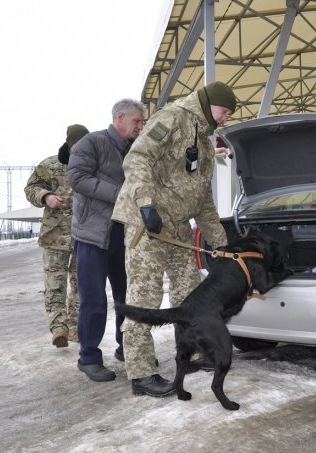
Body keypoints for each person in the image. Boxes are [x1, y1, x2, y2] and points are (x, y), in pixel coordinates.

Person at [112, 81, 235, 397]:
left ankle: (192, 353)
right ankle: (141, 374)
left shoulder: (205, 144)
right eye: (225, 112)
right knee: (145, 297)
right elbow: (136, 159)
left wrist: (219, 243)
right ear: (211, 104)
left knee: (189, 292)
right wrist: (146, 204)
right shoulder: (172, 117)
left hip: (177, 225)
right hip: (147, 222)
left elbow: (203, 199)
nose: (226, 119)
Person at [67, 99, 145, 382]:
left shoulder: (136, 148)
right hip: (91, 237)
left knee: (128, 296)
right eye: (136, 121)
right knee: (94, 300)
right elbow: (76, 177)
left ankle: (126, 347)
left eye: (141, 122)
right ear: (120, 117)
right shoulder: (93, 142)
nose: (140, 126)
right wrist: (119, 195)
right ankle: (88, 357)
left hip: (123, 235)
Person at [24, 123, 89, 348]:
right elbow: (30, 188)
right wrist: (46, 196)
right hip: (55, 236)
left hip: (83, 236)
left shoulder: (91, 165)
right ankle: (58, 328)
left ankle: (75, 327)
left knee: (81, 285)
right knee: (55, 284)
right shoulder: (50, 165)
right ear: (70, 144)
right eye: (79, 145)